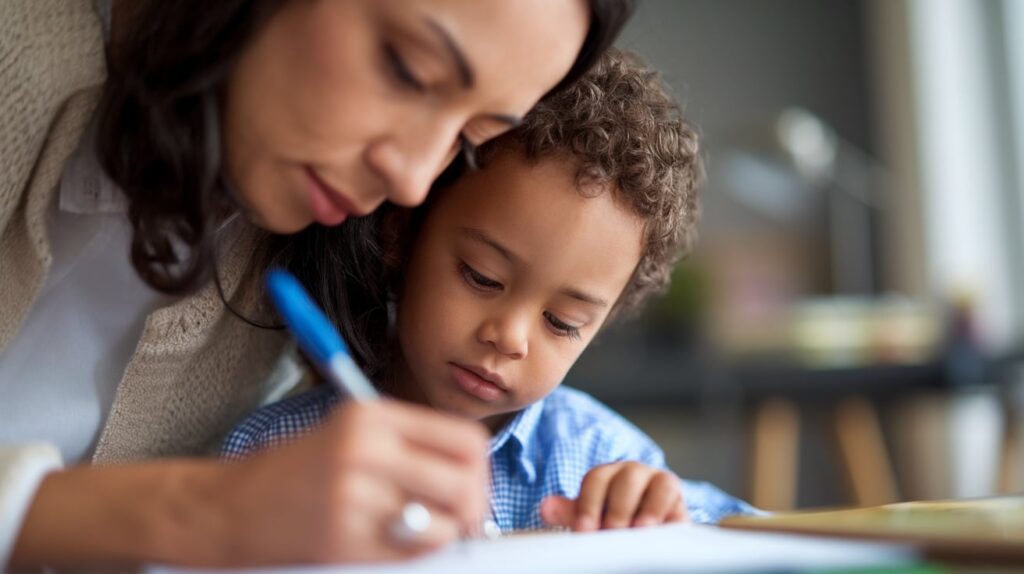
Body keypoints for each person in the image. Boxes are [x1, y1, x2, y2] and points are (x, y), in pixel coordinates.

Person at [0, 0, 634, 569]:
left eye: (471, 138)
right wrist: (199, 511)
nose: (413, 180)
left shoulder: (294, 264)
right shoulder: (19, 54)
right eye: (408, 69)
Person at [222, 50, 759, 533]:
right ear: (401, 234)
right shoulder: (278, 451)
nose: (509, 337)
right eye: (482, 277)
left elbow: (762, 538)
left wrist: (670, 527)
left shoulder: (602, 456)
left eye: (564, 322)